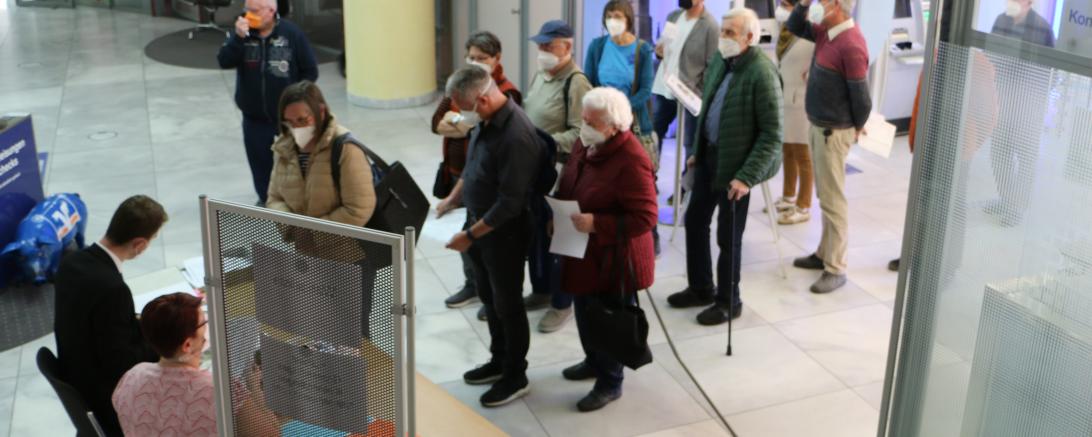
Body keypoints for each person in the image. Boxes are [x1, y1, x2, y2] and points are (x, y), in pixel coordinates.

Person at [667, 8, 783, 325]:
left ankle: (729, 301)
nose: (724, 37)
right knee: (694, 221)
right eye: (723, 31)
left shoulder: (762, 72)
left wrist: (746, 177)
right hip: (709, 157)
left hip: (738, 169)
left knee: (727, 237)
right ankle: (701, 287)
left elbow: (773, 134)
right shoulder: (721, 59)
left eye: (731, 33)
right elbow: (707, 107)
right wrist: (697, 150)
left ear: (749, 37)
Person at [439, 66, 544, 407]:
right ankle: (499, 359)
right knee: (489, 297)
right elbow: (472, 168)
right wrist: (454, 198)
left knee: (508, 304)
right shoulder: (486, 120)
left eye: (465, 107)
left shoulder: (517, 136)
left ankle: (516, 374)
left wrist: (470, 235)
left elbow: (510, 204)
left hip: (504, 235)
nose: (463, 114)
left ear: (482, 99)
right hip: (479, 226)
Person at [556, 87, 657, 412]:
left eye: (591, 122)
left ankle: (610, 381)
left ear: (613, 126)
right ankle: (593, 360)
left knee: (607, 318)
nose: (583, 126)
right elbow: (571, 177)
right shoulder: (588, 143)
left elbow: (645, 216)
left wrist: (597, 223)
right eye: (583, 119)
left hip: (614, 258)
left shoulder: (631, 159)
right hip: (584, 250)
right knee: (585, 311)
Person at [266, 80, 379, 336]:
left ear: (320, 112)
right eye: (289, 122)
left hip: (348, 259)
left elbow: (359, 208)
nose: (296, 128)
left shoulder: (345, 148)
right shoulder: (284, 148)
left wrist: (312, 231)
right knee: (316, 326)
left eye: (302, 120)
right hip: (306, 255)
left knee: (350, 333)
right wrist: (295, 227)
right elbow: (273, 197)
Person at [54, 195, 169, 436]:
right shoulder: (112, 288)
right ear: (140, 244)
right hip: (106, 399)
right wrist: (164, 342)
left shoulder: (71, 261)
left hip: (78, 375)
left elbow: (100, 325)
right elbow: (123, 362)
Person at [432, 31, 523, 322]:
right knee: (467, 240)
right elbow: (438, 123)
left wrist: (458, 122)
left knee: (486, 246)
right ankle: (474, 286)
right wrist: (461, 122)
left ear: (496, 59)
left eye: (481, 58)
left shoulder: (505, 93)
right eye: (471, 57)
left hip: (489, 186)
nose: (475, 62)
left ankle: (493, 296)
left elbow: (471, 130)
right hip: (460, 175)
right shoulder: (461, 84)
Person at [787, 0, 871, 294]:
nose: (817, 5)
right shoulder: (827, 31)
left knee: (833, 200)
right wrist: (803, 3)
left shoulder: (851, 44)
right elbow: (795, 25)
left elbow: (862, 99)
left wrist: (855, 128)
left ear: (837, 4)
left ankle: (836, 267)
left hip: (833, 132)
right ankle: (823, 253)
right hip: (819, 126)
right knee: (825, 195)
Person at [522, 20, 592, 333]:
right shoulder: (541, 75)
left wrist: (545, 142)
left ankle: (563, 303)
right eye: (540, 46)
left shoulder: (576, 83)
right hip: (538, 170)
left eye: (549, 46)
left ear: (567, 46)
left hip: (564, 173)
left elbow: (583, 132)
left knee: (564, 240)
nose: (542, 52)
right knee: (538, 234)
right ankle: (541, 290)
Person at [217, 0, 319, 207]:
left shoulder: (292, 34)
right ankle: (267, 203)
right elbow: (224, 61)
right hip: (254, 117)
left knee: (301, 162)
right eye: (247, 9)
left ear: (271, 11)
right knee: (260, 164)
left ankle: (303, 204)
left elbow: (310, 71)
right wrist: (237, 38)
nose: (248, 14)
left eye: (254, 11)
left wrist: (297, 100)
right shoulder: (241, 33)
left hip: (290, 118)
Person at [583, 0, 661, 254]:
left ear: (628, 19)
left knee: (640, 183)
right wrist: (601, 112)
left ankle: (651, 235)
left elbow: (646, 90)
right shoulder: (597, 46)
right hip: (603, 125)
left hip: (632, 124)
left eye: (617, 16)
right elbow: (590, 82)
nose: (612, 21)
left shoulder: (641, 50)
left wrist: (618, 110)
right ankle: (607, 228)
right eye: (608, 16)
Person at [985, 0, 1053, 226]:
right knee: (999, 153)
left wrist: (1035, 103)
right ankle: (1006, 199)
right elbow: (990, 55)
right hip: (1003, 101)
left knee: (1025, 158)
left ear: (1029, 2)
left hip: (1028, 104)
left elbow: (1050, 69)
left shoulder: (1041, 27)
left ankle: (1017, 208)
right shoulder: (1001, 21)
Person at [112, 293, 215, 436]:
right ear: (187, 345)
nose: (206, 327)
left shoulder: (132, 377)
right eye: (203, 323)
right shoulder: (218, 390)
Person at [651, 0, 719, 203]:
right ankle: (648, 179)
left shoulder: (710, 26)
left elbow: (711, 65)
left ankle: (684, 188)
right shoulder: (673, 16)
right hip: (663, 87)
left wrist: (698, 93)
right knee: (654, 135)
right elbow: (664, 48)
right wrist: (658, 52)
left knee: (690, 142)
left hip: (690, 93)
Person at [772, 0, 816, 225]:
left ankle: (804, 205)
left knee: (803, 153)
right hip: (785, 94)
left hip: (802, 99)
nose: (782, 8)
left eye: (787, 4)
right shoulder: (784, 32)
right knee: (787, 147)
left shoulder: (809, 31)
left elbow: (821, 56)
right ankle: (789, 196)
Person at [991, 0, 1055, 48]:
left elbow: (1049, 63)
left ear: (1030, 2)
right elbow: (990, 50)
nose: (1012, 2)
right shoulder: (1000, 20)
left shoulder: (1043, 28)